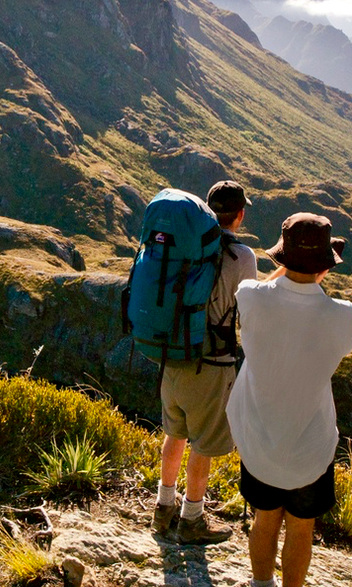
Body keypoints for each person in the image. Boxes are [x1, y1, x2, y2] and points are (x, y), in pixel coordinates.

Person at [226, 213, 352, 587]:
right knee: (301, 529)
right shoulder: (344, 316)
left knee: (264, 519)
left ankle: (261, 583)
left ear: (281, 257)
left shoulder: (250, 297)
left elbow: (273, 289)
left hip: (259, 442)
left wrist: (298, 271)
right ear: (326, 265)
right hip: (311, 448)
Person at [152, 180, 259, 544]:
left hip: (173, 354)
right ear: (240, 215)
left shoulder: (186, 245)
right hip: (212, 362)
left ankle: (163, 507)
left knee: (175, 433)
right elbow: (249, 312)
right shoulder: (242, 257)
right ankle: (192, 518)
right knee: (203, 443)